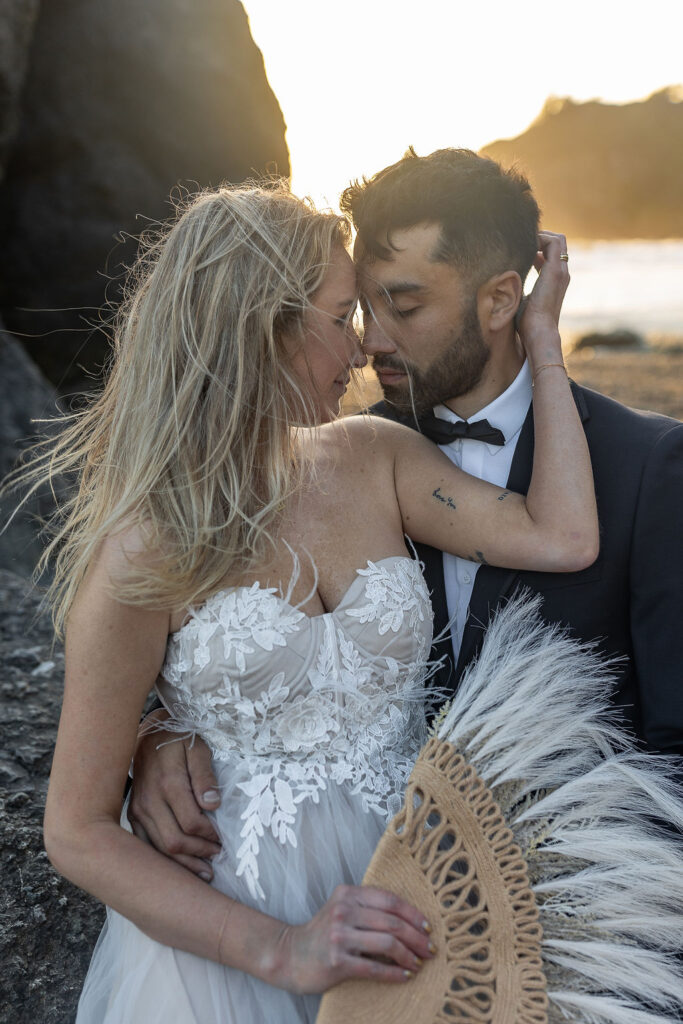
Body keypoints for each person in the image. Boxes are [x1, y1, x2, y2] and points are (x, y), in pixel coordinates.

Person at [36, 182, 596, 1023]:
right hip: (230, 945)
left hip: (411, 897)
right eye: (342, 319)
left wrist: (543, 342)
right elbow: (75, 831)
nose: (365, 350)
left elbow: (561, 536)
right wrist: (280, 949)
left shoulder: (375, 455)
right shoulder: (144, 547)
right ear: (269, 328)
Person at [131, 149, 683, 885]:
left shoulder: (646, 464)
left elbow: (673, 732)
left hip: (583, 892)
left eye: (406, 305)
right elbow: (203, 611)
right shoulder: (344, 457)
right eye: (358, 306)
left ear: (498, 302)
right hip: (369, 879)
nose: (371, 341)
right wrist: (161, 730)